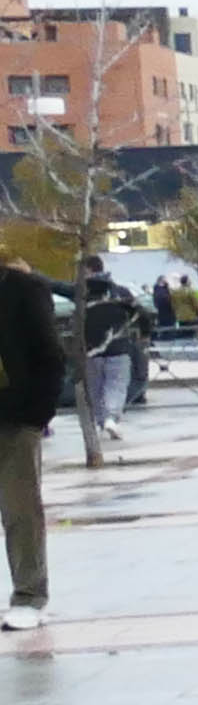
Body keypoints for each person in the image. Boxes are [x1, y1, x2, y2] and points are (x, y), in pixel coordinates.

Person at [0, 249, 61, 625]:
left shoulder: (22, 289)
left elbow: (49, 353)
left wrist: (37, 413)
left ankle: (29, 596)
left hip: (14, 416)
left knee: (20, 509)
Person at [70, 258, 138, 443]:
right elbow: (137, 312)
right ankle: (110, 418)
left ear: (88, 270)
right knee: (116, 386)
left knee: (95, 388)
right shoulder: (120, 292)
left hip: (92, 350)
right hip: (119, 347)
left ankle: (101, 422)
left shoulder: (82, 293)